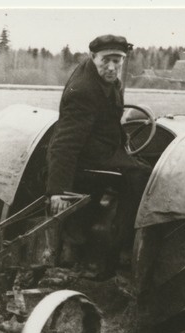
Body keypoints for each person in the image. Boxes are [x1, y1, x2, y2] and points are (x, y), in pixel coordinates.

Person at [46, 34, 151, 275]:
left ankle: (86, 241)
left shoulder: (107, 79)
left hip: (102, 149)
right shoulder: (84, 90)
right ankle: (121, 245)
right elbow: (64, 143)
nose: (112, 67)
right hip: (89, 157)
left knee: (138, 166)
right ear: (93, 57)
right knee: (142, 175)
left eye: (118, 60)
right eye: (106, 60)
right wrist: (58, 191)